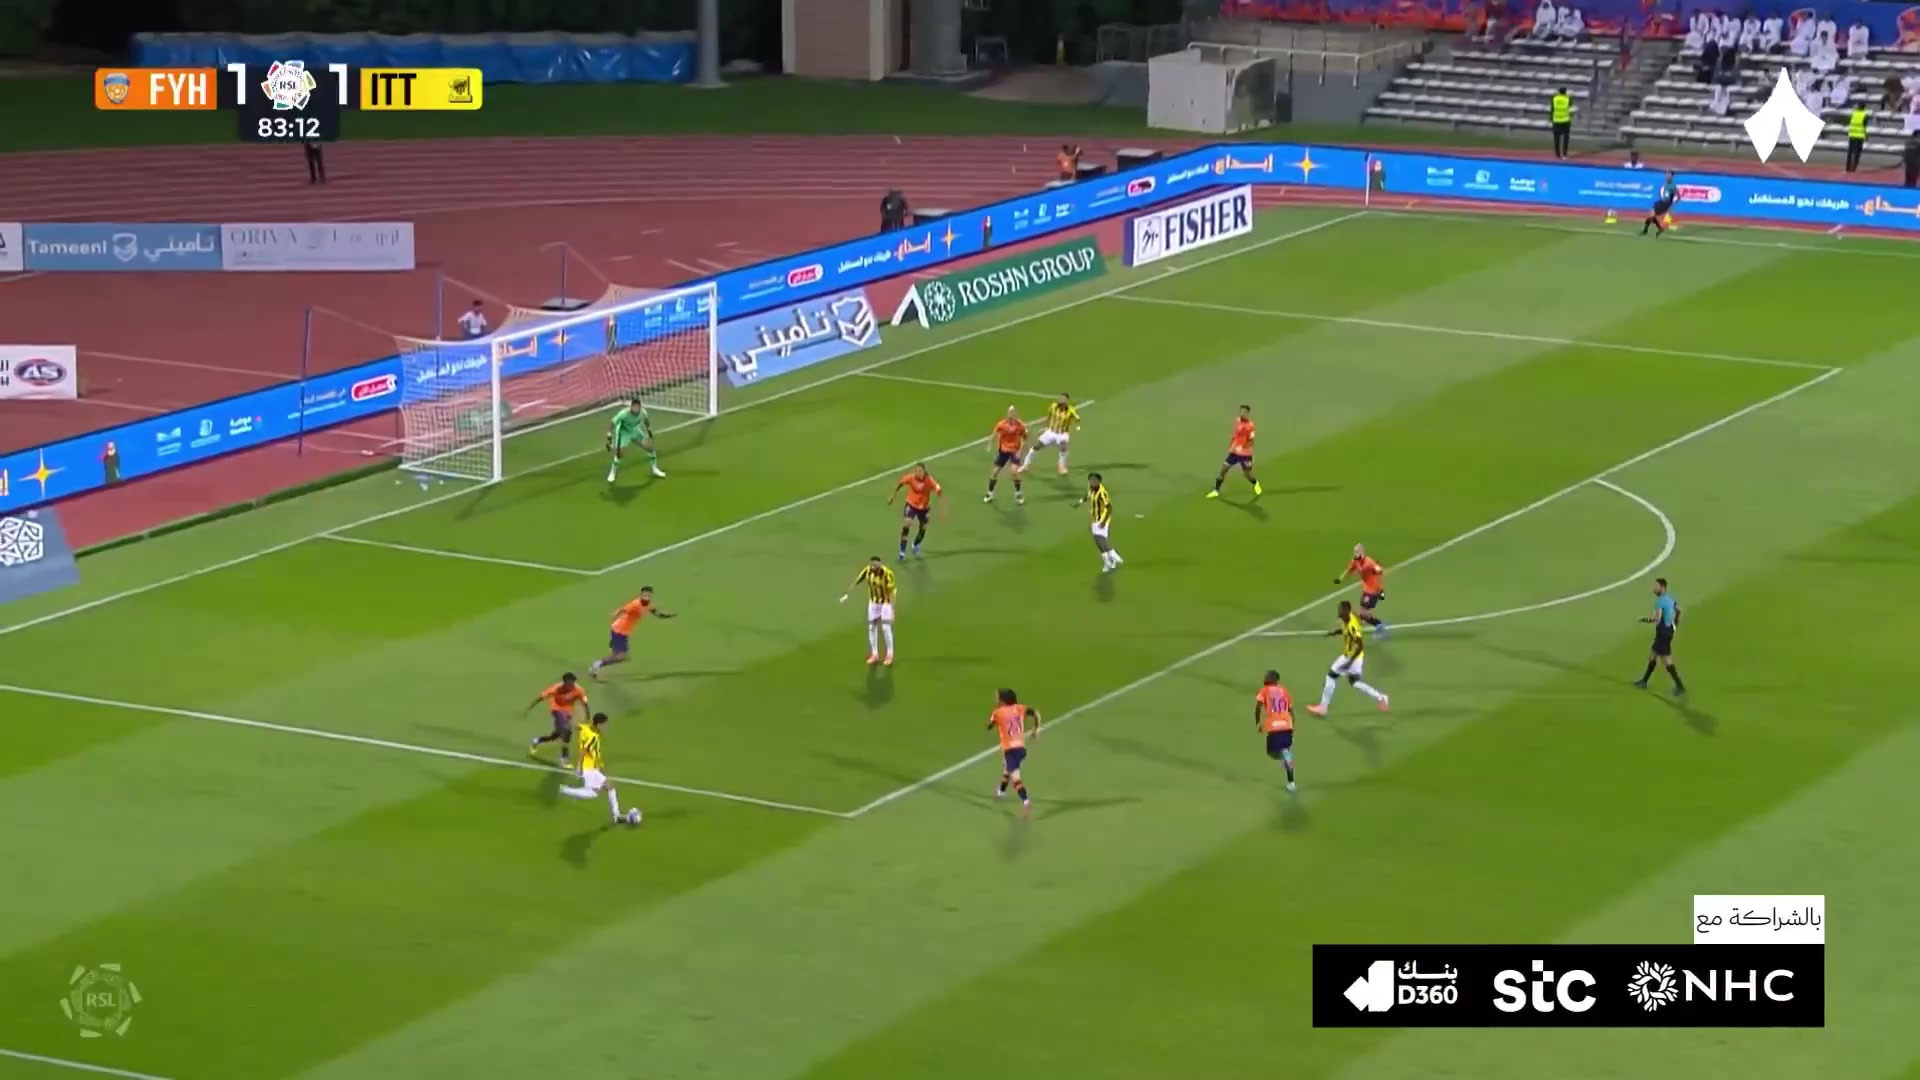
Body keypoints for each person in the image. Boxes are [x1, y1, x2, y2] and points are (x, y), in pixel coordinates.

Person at [1305, 601, 1390, 717]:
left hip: (1351, 657)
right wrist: (1335, 632)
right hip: (1352, 656)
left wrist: (1349, 662)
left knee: (1331, 676)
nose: (1339, 612)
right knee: (1355, 682)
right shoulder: (1346, 619)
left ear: (1347, 611)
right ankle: (1381, 697)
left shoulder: (1352, 625)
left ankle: (1323, 708)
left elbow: (1360, 646)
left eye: (1342, 610)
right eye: (1339, 609)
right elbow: (1346, 631)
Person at [557, 713, 633, 825]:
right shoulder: (593, 736)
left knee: (610, 786)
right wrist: (579, 767)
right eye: (604, 724)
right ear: (598, 724)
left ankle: (616, 816)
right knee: (593, 793)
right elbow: (583, 751)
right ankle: (566, 790)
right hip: (588, 768)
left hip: (592, 767)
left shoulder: (586, 728)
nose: (606, 727)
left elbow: (577, 726)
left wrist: (568, 724)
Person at [589, 586, 675, 679]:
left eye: (648, 596)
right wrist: (615, 617)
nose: (646, 597)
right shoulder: (635, 604)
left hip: (623, 632)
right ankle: (598, 664)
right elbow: (622, 610)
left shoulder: (648, 605)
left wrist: (667, 616)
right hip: (619, 630)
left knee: (618, 656)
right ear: (641, 595)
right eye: (645, 595)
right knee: (622, 656)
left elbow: (657, 614)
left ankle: (597, 666)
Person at [989, 688, 1039, 816]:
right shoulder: (1020, 708)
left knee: (1015, 777)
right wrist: (1035, 729)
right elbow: (1035, 713)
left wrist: (994, 722)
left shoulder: (997, 713)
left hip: (1011, 749)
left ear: (1002, 700)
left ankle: (1026, 802)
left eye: (997, 697)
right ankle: (1001, 792)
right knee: (1007, 768)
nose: (996, 699)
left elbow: (989, 725)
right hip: (1020, 748)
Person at [1632, 577, 1686, 695]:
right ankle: (1644, 681)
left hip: (1663, 633)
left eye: (1656, 586)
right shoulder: (1670, 599)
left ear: (1662, 587)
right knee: (1653, 655)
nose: (1654, 588)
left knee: (1666, 660)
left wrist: (1645, 619)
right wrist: (1675, 624)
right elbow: (1678, 610)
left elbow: (1657, 619)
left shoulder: (1660, 601)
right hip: (1668, 631)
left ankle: (1680, 686)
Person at [840, 555, 898, 666]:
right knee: (872, 627)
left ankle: (889, 654)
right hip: (874, 602)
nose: (874, 567)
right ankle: (874, 654)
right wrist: (848, 591)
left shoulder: (887, 574)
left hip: (886, 603)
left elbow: (892, 591)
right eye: (872, 565)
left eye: (876, 565)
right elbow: (859, 579)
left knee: (885, 628)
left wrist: (892, 608)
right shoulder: (868, 570)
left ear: (880, 564)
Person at [527, 673, 590, 765]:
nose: (572, 685)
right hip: (556, 709)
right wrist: (529, 708)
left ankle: (537, 740)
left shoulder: (579, 690)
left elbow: (585, 704)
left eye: (573, 682)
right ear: (564, 682)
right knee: (567, 731)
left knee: (556, 735)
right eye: (569, 682)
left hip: (568, 713)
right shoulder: (556, 688)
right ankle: (564, 758)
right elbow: (541, 698)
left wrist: (588, 716)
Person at [888, 462, 944, 560]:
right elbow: (900, 484)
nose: (918, 473)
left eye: (920, 471)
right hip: (911, 505)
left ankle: (915, 544)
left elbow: (937, 488)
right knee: (906, 525)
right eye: (917, 471)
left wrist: (939, 490)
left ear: (924, 471)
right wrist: (892, 496)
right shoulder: (911, 477)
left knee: (923, 528)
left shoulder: (929, 480)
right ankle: (902, 552)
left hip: (924, 508)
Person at [1254, 670, 1298, 793]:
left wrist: (1258, 723)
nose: (1265, 678)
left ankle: (1285, 757)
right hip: (1287, 725)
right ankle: (1291, 783)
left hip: (1274, 726)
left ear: (1273, 679)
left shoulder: (1264, 690)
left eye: (1267, 676)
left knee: (1271, 753)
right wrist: (1292, 725)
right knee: (1285, 750)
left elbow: (1258, 707)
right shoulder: (1284, 691)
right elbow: (1291, 710)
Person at [605, 396, 665, 484]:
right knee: (620, 455)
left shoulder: (643, 412)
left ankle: (654, 469)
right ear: (631, 407)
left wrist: (649, 430)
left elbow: (646, 420)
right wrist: (609, 433)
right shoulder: (624, 414)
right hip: (624, 433)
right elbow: (613, 422)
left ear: (640, 407)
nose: (635, 409)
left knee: (650, 448)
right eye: (633, 407)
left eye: (637, 407)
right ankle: (612, 472)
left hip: (635, 431)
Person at [1208, 404, 1263, 499]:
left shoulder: (1250, 426)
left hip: (1245, 454)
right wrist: (1232, 446)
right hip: (1234, 452)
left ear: (1248, 413)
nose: (1242, 413)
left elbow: (1251, 441)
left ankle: (1255, 483)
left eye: (1244, 412)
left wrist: (1242, 447)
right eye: (1241, 411)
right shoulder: (1237, 421)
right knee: (1224, 469)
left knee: (1247, 474)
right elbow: (1235, 435)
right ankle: (1216, 491)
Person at [1335, 544, 1390, 637]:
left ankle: (1379, 625)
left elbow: (1380, 571)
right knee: (1363, 613)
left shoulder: (1369, 562)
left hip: (1373, 590)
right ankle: (1371, 624)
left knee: (1363, 613)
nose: (1355, 553)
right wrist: (1340, 579)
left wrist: (1381, 589)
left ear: (1362, 552)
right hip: (1366, 590)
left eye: (1357, 551)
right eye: (1354, 551)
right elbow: (1348, 570)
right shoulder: (1355, 561)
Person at [1075, 472, 1124, 572]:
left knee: (1100, 538)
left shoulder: (1102, 493)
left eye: (1094, 481)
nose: (1091, 482)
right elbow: (1088, 496)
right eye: (1090, 480)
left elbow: (1109, 508)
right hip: (1095, 518)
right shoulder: (1091, 489)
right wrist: (1079, 502)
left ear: (1099, 482)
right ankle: (1108, 561)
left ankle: (1114, 557)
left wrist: (1104, 521)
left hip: (1102, 517)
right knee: (1098, 541)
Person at [1022, 392, 1080, 475]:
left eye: (1062, 398)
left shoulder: (1070, 410)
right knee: (1036, 446)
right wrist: (1044, 428)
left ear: (1066, 400)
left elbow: (1077, 419)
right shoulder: (1053, 407)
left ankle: (1061, 466)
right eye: (1060, 398)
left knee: (1063, 447)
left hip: (1062, 434)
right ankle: (1025, 465)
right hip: (1051, 432)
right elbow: (1048, 418)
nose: (1060, 400)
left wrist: (1076, 421)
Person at [985, 405, 1028, 504]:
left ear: (1015, 413)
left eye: (1013, 412)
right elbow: (994, 433)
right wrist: (989, 444)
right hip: (1003, 451)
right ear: (1007, 413)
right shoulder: (1002, 424)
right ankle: (990, 493)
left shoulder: (1020, 425)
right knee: (995, 473)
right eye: (1010, 412)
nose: (1011, 413)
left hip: (1014, 451)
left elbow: (1024, 438)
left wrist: (1020, 451)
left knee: (1014, 472)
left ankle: (1018, 493)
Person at [1642, 170, 1679, 236]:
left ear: (1672, 177)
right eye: (1667, 174)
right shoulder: (1666, 183)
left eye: (1669, 175)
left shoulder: (1673, 186)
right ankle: (1658, 229)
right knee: (1652, 215)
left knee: (1651, 216)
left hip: (1665, 204)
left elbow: (1678, 195)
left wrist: (1672, 204)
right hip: (1661, 202)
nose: (1667, 176)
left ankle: (1646, 231)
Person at [1550, 87, 1573, 158]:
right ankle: (1564, 154)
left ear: (1559, 91)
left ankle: (1557, 154)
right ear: (1565, 92)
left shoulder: (1554, 98)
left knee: (1556, 138)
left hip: (1556, 120)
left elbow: (1552, 109)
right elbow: (1570, 108)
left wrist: (1551, 119)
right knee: (1566, 138)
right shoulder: (1568, 98)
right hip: (1566, 120)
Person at [1847, 102, 1870, 172]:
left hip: (1852, 134)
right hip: (1859, 135)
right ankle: (1854, 167)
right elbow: (1864, 126)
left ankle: (1848, 167)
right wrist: (1866, 135)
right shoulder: (1865, 115)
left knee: (1850, 151)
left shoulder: (1853, 113)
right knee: (1857, 152)